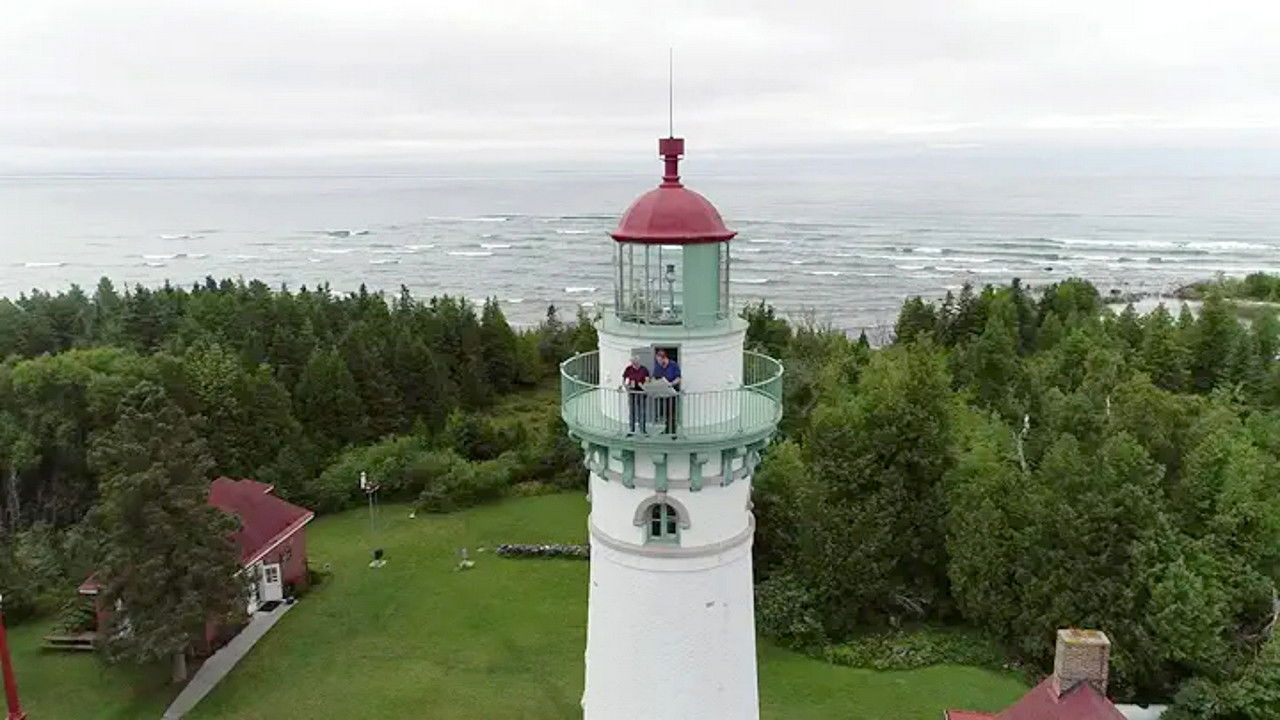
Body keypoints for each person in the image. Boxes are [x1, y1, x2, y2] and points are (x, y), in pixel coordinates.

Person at [652, 349, 681, 434]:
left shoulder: (673, 365)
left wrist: (671, 384)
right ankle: (667, 429)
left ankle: (673, 431)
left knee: (672, 412)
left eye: (660, 360)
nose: (659, 363)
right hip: (662, 392)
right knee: (665, 412)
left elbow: (678, 378)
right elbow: (654, 377)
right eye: (657, 361)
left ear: (664, 358)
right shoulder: (658, 366)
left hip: (672, 392)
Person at [622, 355, 649, 434]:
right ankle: (632, 429)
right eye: (633, 362)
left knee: (642, 411)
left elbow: (647, 380)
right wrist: (626, 386)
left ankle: (643, 429)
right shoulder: (628, 369)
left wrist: (643, 385)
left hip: (641, 392)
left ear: (638, 362)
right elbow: (624, 379)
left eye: (635, 362)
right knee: (632, 410)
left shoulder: (644, 370)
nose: (634, 364)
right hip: (632, 392)